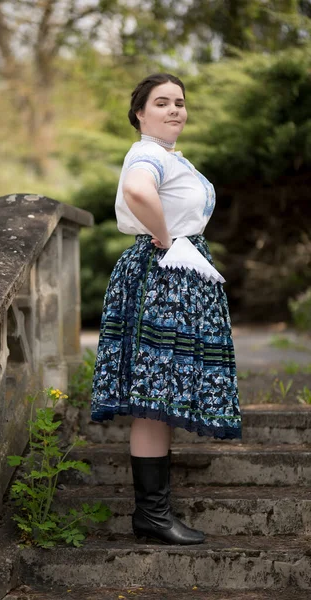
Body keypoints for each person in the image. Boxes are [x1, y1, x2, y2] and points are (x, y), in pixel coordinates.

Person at [90, 73, 242, 546]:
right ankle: (152, 517)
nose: (175, 109)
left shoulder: (169, 156)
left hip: (173, 273)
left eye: (180, 101)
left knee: (158, 401)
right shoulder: (147, 153)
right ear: (140, 113)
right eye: (162, 102)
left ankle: (152, 516)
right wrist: (166, 237)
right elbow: (138, 191)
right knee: (155, 399)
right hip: (163, 275)